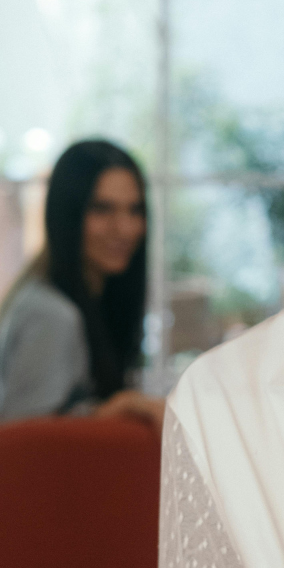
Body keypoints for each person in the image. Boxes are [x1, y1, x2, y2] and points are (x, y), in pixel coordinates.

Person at [0, 140, 163, 425]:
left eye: (135, 210)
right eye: (102, 209)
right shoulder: (51, 314)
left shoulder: (92, 303)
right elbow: (22, 440)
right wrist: (116, 410)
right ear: (67, 215)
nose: (124, 228)